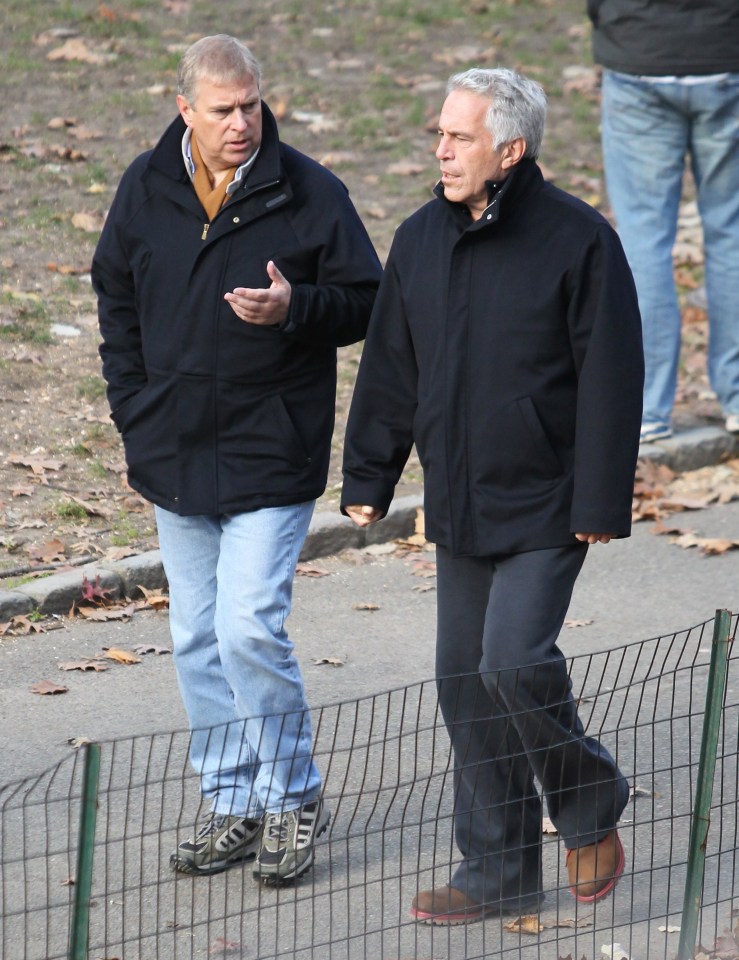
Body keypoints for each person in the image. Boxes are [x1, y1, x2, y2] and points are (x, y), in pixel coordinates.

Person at [341, 67, 644, 924]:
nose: (439, 148)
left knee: (512, 661)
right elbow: (391, 366)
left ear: (508, 149)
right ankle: (499, 868)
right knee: (462, 682)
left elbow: (611, 379)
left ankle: (588, 804)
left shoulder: (579, 240)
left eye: (458, 135)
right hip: (461, 502)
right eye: (438, 132)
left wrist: (598, 501)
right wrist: (370, 472)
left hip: (550, 498)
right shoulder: (418, 239)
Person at [92, 34, 381, 885]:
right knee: (194, 638)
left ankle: (292, 798)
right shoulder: (145, 189)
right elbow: (114, 294)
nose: (243, 123)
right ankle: (233, 803)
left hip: (271, 450)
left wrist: (298, 306)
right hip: (172, 451)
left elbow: (367, 299)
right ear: (185, 109)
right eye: (223, 109)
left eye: (252, 104)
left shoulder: (309, 192)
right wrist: (132, 411)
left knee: (247, 627)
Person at [588, 0, 739, 443]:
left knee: (642, 239)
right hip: (727, 50)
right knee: (732, 231)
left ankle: (647, 407)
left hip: (639, 50)